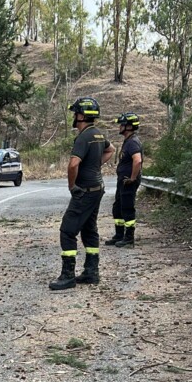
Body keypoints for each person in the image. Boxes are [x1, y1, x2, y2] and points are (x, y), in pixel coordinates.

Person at [49, 97, 115, 290]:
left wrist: (72, 186)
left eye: (75, 113)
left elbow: (72, 164)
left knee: (67, 231)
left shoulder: (84, 136)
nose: (74, 117)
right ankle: (91, 272)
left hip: (84, 191)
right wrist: (95, 165)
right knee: (89, 229)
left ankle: (67, 276)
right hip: (97, 189)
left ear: (81, 115)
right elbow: (111, 149)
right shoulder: (98, 134)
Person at [105, 113, 143, 247]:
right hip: (123, 180)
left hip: (128, 181)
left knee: (127, 208)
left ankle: (129, 238)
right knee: (118, 208)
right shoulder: (128, 141)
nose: (119, 127)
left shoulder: (133, 142)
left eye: (121, 124)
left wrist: (132, 178)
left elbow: (137, 160)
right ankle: (119, 235)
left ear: (128, 126)